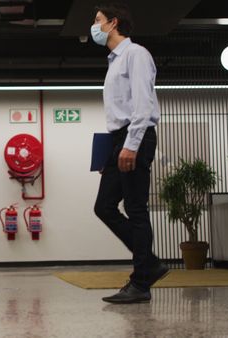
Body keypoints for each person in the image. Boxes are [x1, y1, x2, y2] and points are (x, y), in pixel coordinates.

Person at [91, 2, 169, 304]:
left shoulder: (136, 55)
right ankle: (149, 263)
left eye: (97, 21)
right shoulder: (115, 61)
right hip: (119, 140)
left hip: (136, 136)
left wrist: (131, 145)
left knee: (136, 209)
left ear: (113, 23)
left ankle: (141, 283)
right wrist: (110, 154)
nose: (94, 26)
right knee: (104, 206)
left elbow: (142, 106)